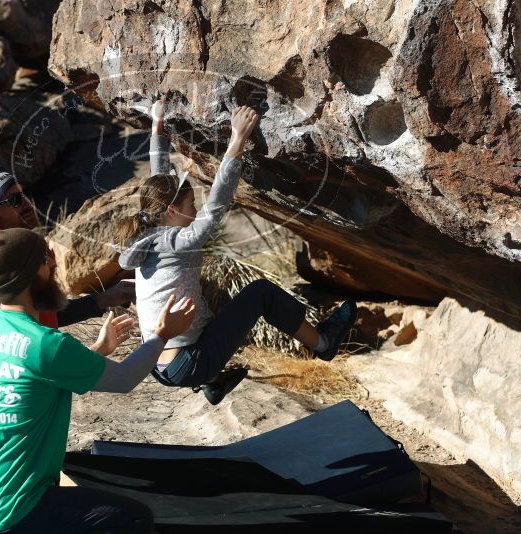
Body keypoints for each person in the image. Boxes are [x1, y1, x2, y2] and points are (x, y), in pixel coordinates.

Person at [115, 100, 357, 405]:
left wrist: (157, 127)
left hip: (156, 364)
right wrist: (237, 139)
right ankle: (323, 343)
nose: (196, 210)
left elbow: (159, 180)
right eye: (191, 206)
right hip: (188, 362)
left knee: (199, 301)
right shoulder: (179, 241)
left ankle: (213, 381)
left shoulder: (148, 233)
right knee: (260, 294)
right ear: (173, 211)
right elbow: (217, 202)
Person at [0, 228, 195, 533]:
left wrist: (97, 351)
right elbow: (124, 379)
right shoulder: (46, 345)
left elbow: (39, 379)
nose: (55, 264)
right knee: (134, 518)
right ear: (29, 275)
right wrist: (163, 334)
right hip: (16, 510)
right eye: (46, 259)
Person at [0, 161, 135, 393]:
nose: (26, 204)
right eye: (14, 201)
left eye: (24, 195)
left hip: (46, 385)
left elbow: (48, 313)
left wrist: (109, 297)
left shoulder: (35, 249)